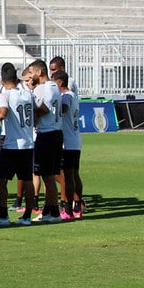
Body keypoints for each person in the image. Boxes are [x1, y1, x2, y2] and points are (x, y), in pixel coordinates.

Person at [0, 63, 37, 227]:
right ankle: (27, 216)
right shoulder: (27, 94)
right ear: (16, 78)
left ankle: (3, 215)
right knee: (27, 180)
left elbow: (2, 113)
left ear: (2, 81)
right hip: (28, 143)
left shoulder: (5, 95)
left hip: (12, 144)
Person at [29, 59, 64, 223]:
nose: (31, 76)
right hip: (56, 132)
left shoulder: (43, 89)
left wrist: (33, 112)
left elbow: (44, 109)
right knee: (48, 175)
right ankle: (49, 209)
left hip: (47, 134)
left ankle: (54, 212)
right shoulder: (54, 86)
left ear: (39, 72)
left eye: (31, 72)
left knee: (47, 176)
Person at [52, 70, 84, 220]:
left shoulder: (66, 96)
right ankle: (77, 206)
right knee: (73, 174)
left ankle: (68, 209)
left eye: (53, 83)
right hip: (75, 140)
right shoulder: (73, 96)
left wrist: (52, 110)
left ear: (60, 82)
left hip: (67, 142)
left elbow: (63, 108)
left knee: (67, 175)